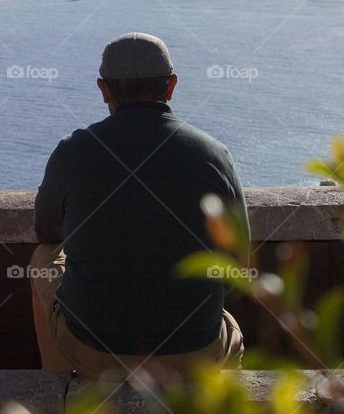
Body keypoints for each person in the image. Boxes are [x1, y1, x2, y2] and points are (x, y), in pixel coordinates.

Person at [31, 33, 248, 380]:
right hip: (192, 354)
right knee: (229, 327)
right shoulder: (213, 155)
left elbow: (46, 232)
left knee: (42, 258)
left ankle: (59, 385)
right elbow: (237, 262)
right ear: (171, 86)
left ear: (104, 89)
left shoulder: (73, 151)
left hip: (94, 350)